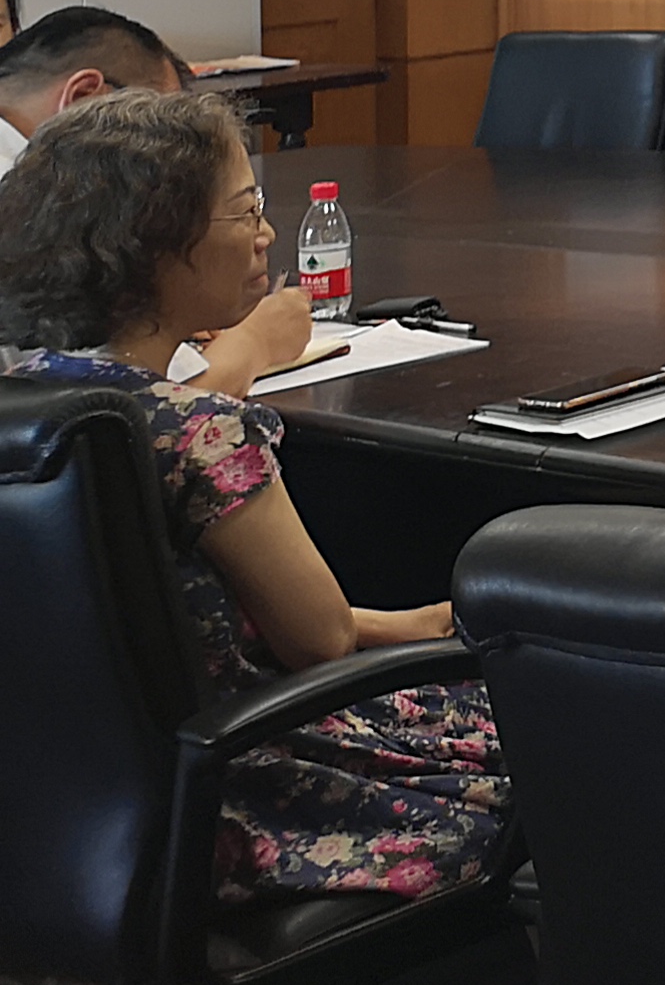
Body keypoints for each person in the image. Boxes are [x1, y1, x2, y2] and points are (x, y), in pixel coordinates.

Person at [0, 90, 511, 900]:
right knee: (553, 737)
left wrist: (395, 622)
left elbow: (154, 621)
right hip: (245, 799)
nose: (266, 235)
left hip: (60, 813)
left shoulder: (30, 406)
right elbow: (318, 642)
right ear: (158, 243)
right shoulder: (203, 432)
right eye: (246, 212)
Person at [0, 8, 305, 396]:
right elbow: (131, 411)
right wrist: (255, 342)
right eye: (165, 132)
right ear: (84, 99)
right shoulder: (28, 206)